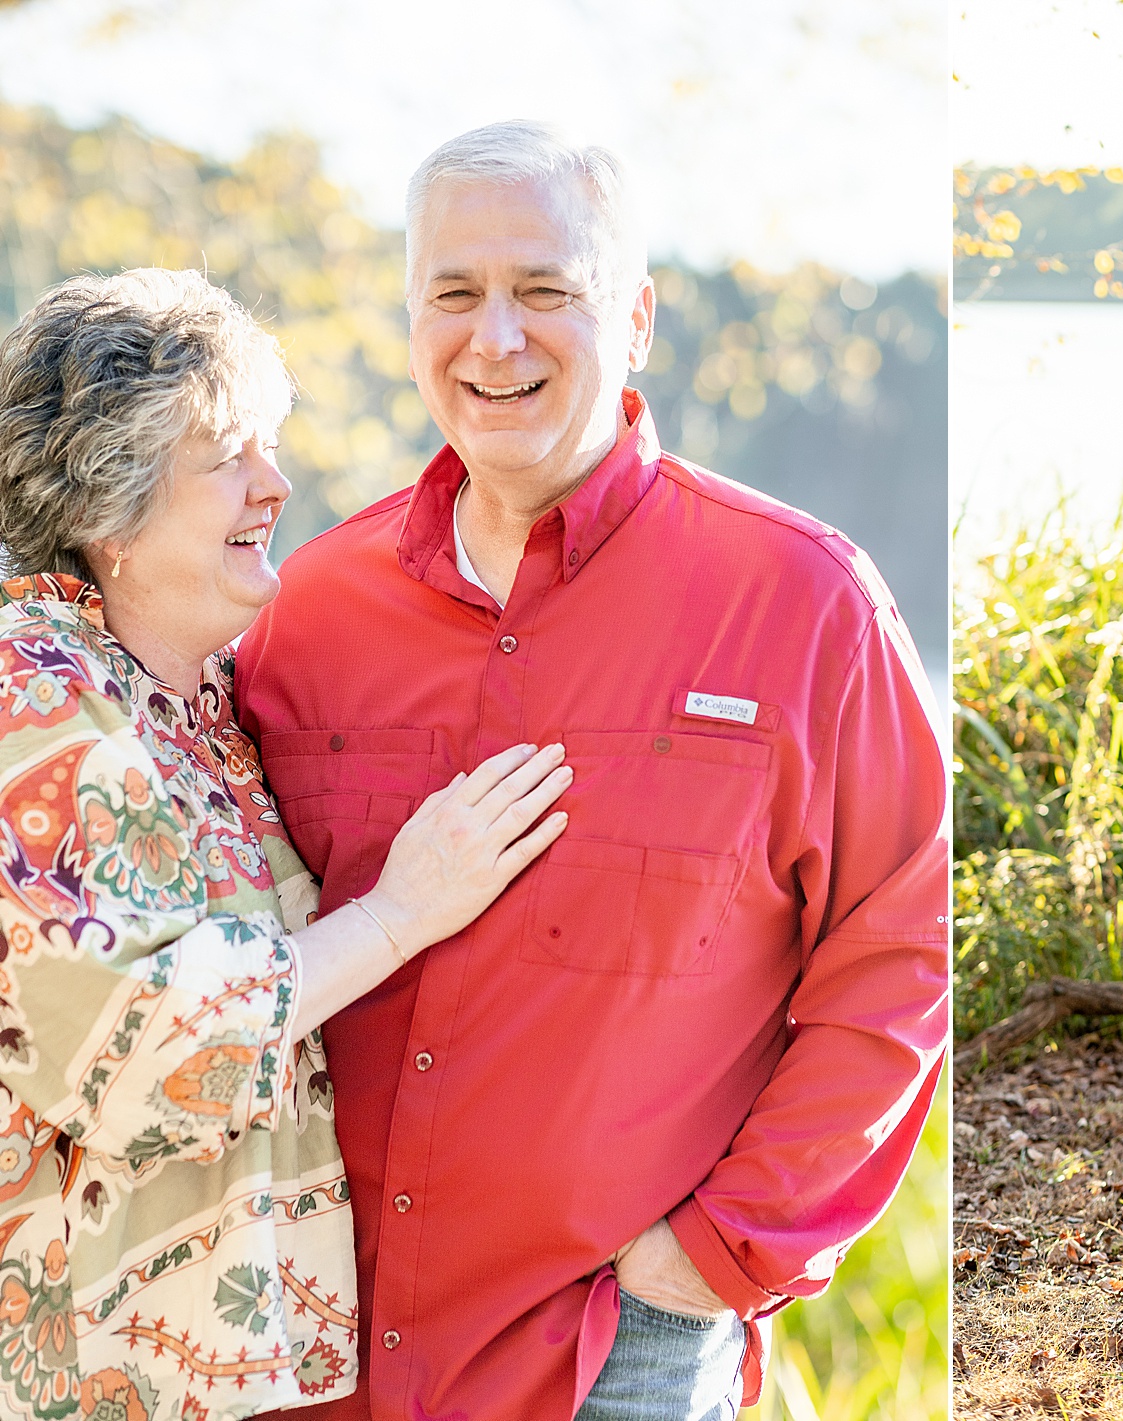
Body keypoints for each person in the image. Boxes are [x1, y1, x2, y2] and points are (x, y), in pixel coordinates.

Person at [236, 122, 949, 1421]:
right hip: (312, 1352)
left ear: (638, 315)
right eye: (454, 294)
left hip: (610, 1361)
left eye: (545, 290)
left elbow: (903, 947)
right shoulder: (307, 611)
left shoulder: (804, 603)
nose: (494, 338)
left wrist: (717, 1257)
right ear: (410, 317)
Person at [0, 268, 571, 1418]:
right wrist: (404, 910)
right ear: (110, 500)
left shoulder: (203, 699)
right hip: (92, 1371)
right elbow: (142, 1050)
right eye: (229, 456)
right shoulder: (32, 695)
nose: (279, 482)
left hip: (234, 1371)